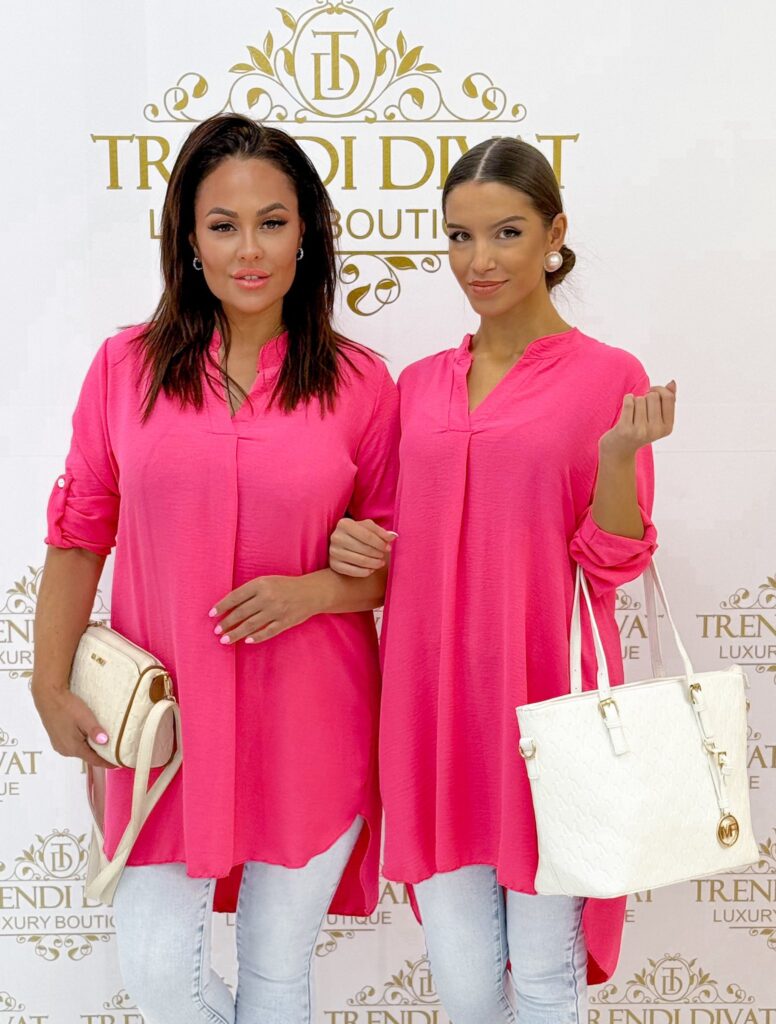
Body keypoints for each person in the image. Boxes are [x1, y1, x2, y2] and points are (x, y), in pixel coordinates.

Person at [31, 113, 399, 1024]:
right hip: (163, 723)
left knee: (276, 980)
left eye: (272, 222)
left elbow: (403, 565)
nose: (250, 250)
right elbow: (80, 535)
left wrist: (317, 589)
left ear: (306, 231)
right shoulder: (123, 369)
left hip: (310, 719)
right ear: (189, 239)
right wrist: (47, 682)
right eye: (223, 225)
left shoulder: (362, 384)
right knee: (162, 973)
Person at [328, 137, 676, 1024]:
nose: (478, 261)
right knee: (467, 988)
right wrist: (360, 544)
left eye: (507, 233)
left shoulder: (609, 376)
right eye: (460, 236)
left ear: (555, 235)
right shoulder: (417, 386)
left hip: (550, 706)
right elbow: (395, 530)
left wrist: (618, 457)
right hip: (433, 708)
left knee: (548, 981)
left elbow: (614, 561)